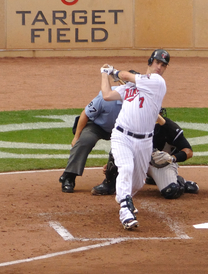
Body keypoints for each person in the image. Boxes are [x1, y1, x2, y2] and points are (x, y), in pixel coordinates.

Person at [99, 49, 170, 231]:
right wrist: (104, 75)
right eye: (157, 63)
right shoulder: (129, 88)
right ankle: (125, 209)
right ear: (150, 62)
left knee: (137, 182)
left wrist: (113, 71)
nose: (159, 67)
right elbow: (107, 95)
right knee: (126, 168)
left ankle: (124, 197)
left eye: (163, 65)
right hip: (122, 135)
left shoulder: (157, 82)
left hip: (145, 141)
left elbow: (123, 75)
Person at [93, 108, 198, 199]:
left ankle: (180, 182)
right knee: (118, 149)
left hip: (160, 165)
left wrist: (172, 158)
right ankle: (109, 184)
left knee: (171, 191)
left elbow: (188, 152)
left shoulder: (168, 127)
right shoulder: (131, 125)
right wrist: (115, 164)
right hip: (138, 161)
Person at [58, 81, 127, 194]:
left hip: (121, 131)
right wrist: (76, 137)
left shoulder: (140, 101)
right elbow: (85, 114)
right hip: (98, 126)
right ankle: (69, 176)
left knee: (123, 147)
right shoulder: (106, 97)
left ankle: (112, 180)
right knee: (85, 140)